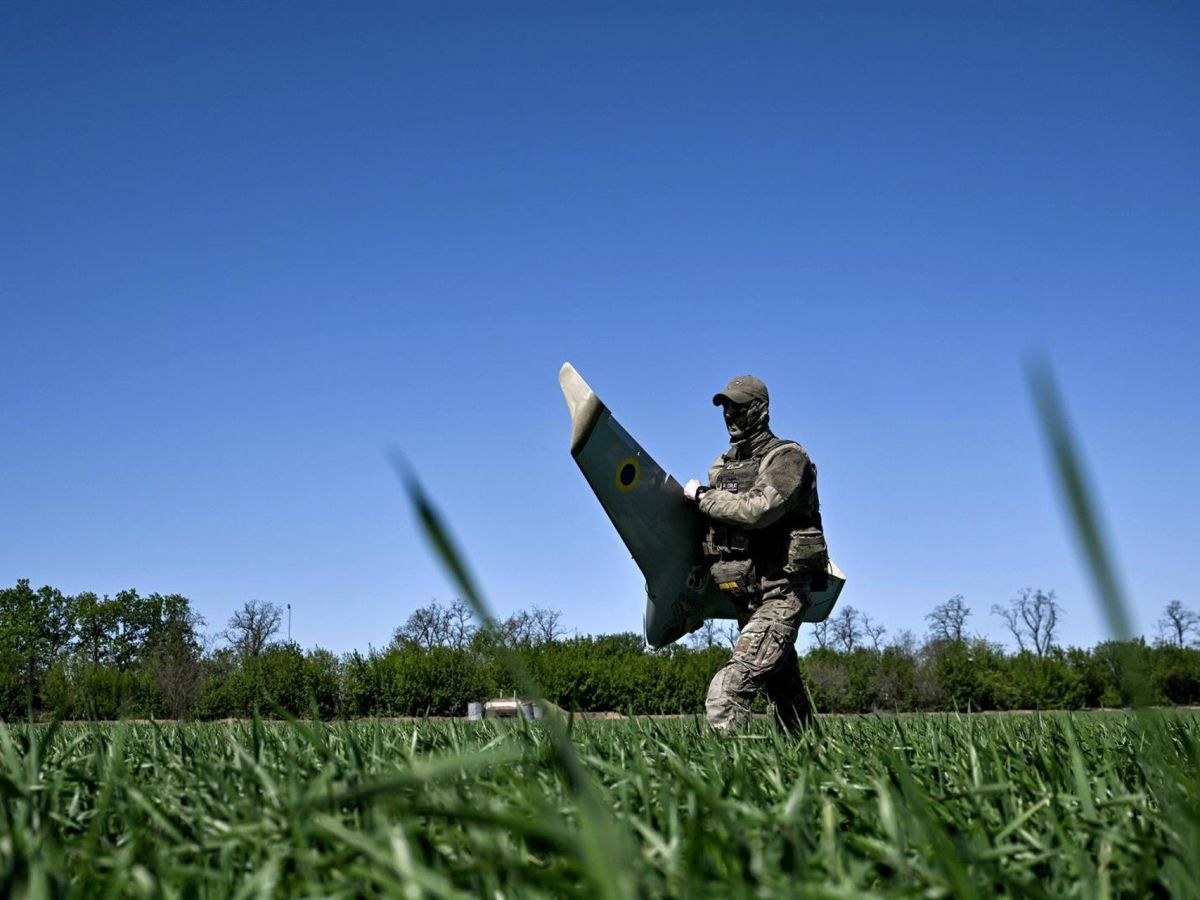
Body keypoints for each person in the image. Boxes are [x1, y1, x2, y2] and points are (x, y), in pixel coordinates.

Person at [683, 375, 826, 733]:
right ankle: (809, 756)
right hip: (746, 599)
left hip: (781, 593)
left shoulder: (788, 458)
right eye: (726, 408)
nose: (730, 415)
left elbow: (757, 509)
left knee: (727, 691)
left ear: (760, 410)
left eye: (739, 407)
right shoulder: (722, 467)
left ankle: (723, 769)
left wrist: (702, 497)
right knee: (787, 699)